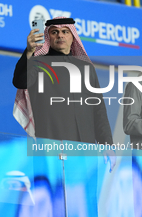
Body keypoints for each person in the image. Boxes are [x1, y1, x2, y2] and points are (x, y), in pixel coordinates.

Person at [12, 17, 115, 168]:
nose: (60, 35)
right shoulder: (38, 63)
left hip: (84, 148)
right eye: (55, 32)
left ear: (73, 36)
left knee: (85, 191)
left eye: (65, 31)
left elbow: (98, 110)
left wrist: (107, 145)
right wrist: (29, 52)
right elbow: (20, 82)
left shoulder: (86, 68)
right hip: (49, 145)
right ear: (48, 37)